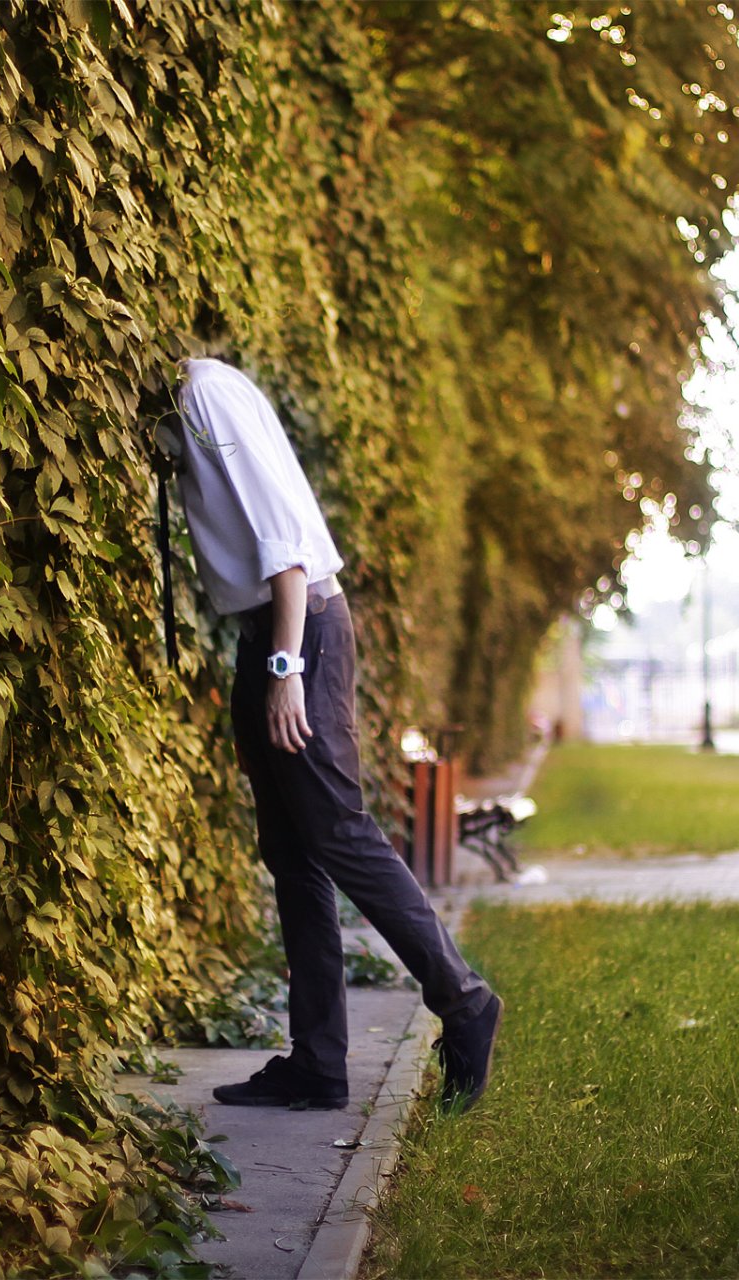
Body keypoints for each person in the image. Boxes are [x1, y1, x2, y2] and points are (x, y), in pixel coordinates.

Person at [172, 355, 502, 1111]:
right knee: (294, 853)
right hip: (271, 634)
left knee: (340, 833)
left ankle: (463, 999)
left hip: (300, 631)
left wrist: (284, 670)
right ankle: (319, 1063)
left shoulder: (204, 397)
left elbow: (286, 550)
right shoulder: (203, 395)